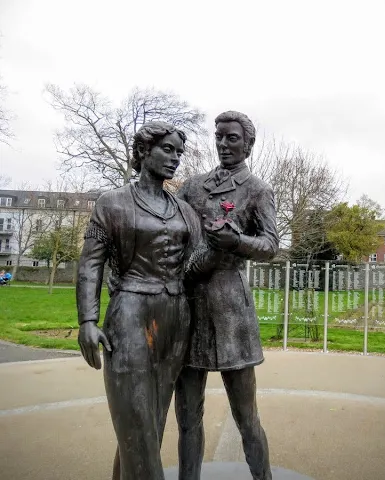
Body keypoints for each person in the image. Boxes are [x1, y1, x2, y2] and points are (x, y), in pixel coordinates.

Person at [76, 121, 211, 480]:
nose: (175, 159)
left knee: (150, 424)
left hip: (175, 319)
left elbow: (196, 262)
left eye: (179, 152)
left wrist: (226, 242)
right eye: (168, 149)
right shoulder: (113, 203)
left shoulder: (183, 210)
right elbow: (91, 262)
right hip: (130, 314)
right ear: (142, 152)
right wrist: (87, 321)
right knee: (136, 421)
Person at [175, 111, 279, 480]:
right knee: (187, 417)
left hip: (231, 309)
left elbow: (270, 245)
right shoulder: (191, 186)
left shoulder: (257, 190)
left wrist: (237, 241)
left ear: (248, 144)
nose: (223, 144)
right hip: (189, 306)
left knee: (247, 418)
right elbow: (174, 235)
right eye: (219, 137)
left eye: (232, 138)